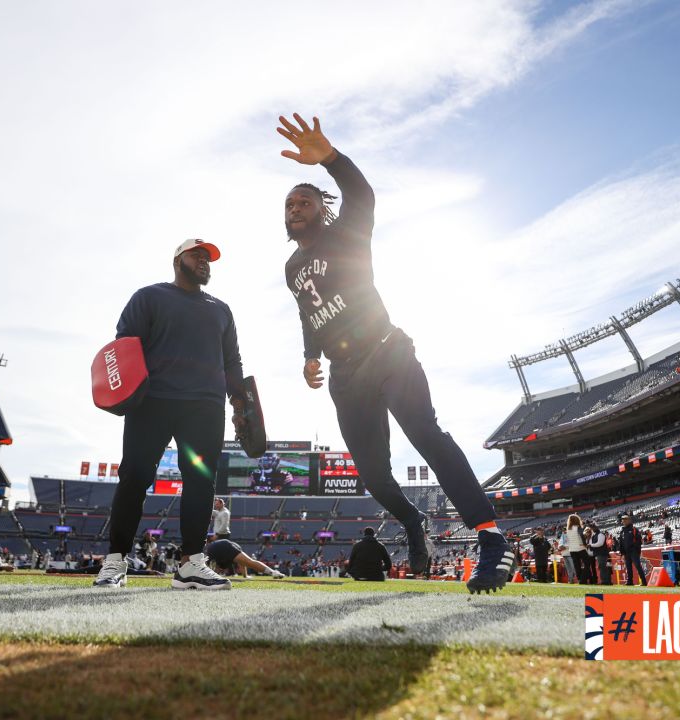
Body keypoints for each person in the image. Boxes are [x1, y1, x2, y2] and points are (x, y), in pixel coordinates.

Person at [276, 113, 513, 594]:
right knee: (376, 480)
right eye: (289, 203)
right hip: (345, 376)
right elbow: (308, 314)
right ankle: (412, 523)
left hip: (387, 351)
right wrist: (309, 355)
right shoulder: (291, 266)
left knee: (425, 432)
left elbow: (362, 196)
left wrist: (332, 160)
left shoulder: (346, 234)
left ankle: (491, 538)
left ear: (321, 209)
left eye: (304, 200)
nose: (295, 207)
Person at [93, 238, 248, 592]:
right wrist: (125, 394)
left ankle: (192, 564)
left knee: (200, 482)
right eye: (198, 255)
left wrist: (241, 406)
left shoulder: (221, 309)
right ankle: (115, 561)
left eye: (209, 258)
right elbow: (123, 347)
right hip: (154, 401)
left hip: (206, 405)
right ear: (178, 260)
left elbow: (233, 362)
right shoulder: (149, 297)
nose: (206, 262)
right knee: (135, 477)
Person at [205, 539, 286, 579]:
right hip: (222, 545)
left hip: (223, 546)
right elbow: (241, 563)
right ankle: (272, 572)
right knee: (249, 562)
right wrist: (245, 576)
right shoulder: (216, 558)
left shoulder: (216, 558)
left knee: (249, 562)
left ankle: (273, 572)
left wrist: (245, 575)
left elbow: (242, 563)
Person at [617, 515, 648, 586]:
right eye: (622, 520)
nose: (624, 521)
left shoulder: (634, 529)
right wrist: (621, 552)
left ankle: (644, 582)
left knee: (638, 566)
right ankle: (629, 582)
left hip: (633, 552)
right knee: (628, 567)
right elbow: (621, 543)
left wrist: (636, 550)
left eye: (625, 519)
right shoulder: (622, 531)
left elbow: (639, 540)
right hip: (626, 552)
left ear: (629, 520)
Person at [564, 515, 590, 584]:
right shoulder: (578, 527)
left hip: (572, 550)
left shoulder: (568, 529)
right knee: (587, 563)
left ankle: (579, 579)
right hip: (580, 548)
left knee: (577, 565)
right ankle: (583, 579)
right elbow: (582, 536)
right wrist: (585, 543)